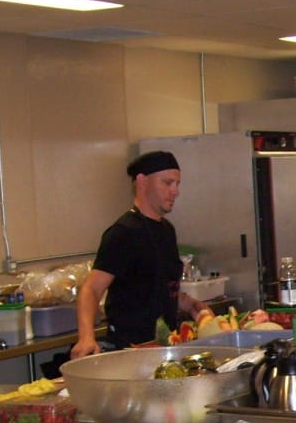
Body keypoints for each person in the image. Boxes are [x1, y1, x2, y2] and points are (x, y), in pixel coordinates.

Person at [71, 150, 206, 358]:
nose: (175, 191)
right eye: (167, 183)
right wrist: (86, 336)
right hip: (130, 349)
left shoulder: (167, 230)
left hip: (165, 345)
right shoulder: (123, 232)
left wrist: (192, 305)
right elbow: (91, 289)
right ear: (142, 181)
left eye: (177, 184)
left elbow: (160, 286)